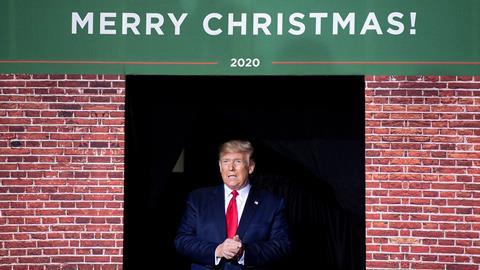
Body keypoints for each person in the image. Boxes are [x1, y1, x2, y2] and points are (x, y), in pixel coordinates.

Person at [175, 140, 291, 270]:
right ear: (220, 166)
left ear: (251, 167)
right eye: (226, 161)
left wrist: (245, 252)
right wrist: (217, 250)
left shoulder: (272, 203)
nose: (231, 167)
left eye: (237, 161)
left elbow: (282, 245)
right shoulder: (198, 199)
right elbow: (182, 240)